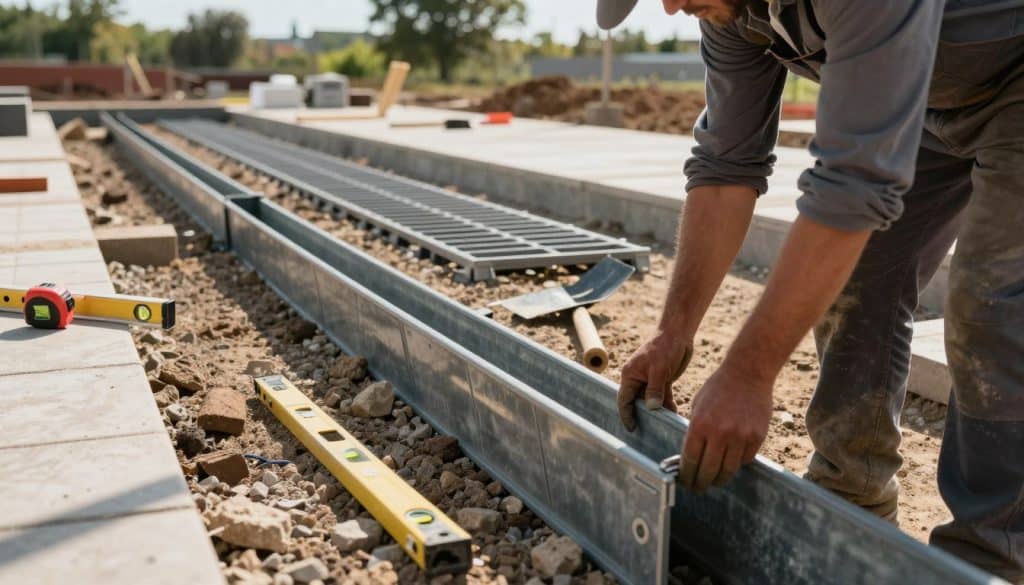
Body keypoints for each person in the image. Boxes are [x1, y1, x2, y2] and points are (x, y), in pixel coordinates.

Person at [602, 0, 1024, 581]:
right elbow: (725, 164)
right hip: (924, 92)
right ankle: (852, 508)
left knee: (993, 307)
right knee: (851, 276)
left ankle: (991, 559)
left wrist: (749, 375)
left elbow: (854, 184)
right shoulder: (727, 12)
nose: (672, 5)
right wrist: (673, 334)